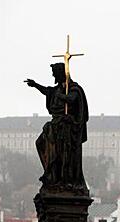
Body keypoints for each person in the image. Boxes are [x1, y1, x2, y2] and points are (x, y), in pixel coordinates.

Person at [25, 63, 89, 193]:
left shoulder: (74, 89)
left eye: (55, 73)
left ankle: (63, 178)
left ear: (61, 74)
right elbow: (47, 91)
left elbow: (71, 99)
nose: (53, 76)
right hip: (54, 125)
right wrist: (35, 84)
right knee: (40, 143)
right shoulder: (58, 89)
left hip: (66, 128)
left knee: (63, 154)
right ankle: (50, 173)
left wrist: (60, 95)